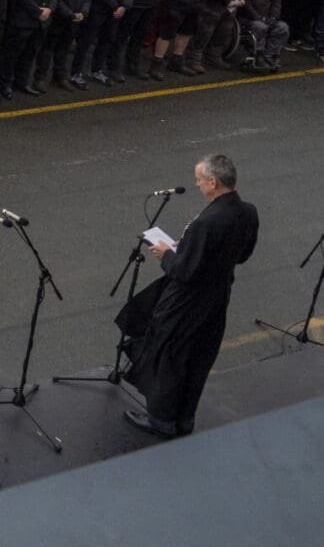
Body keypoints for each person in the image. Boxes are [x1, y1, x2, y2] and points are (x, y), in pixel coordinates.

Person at [122, 154, 259, 438]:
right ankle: (185, 418)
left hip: (185, 304)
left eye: (199, 180)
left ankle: (161, 419)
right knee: (198, 359)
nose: (196, 185)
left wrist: (166, 254)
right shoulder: (248, 212)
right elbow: (243, 255)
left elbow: (184, 271)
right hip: (217, 299)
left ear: (213, 182)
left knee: (170, 355)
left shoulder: (207, 222)